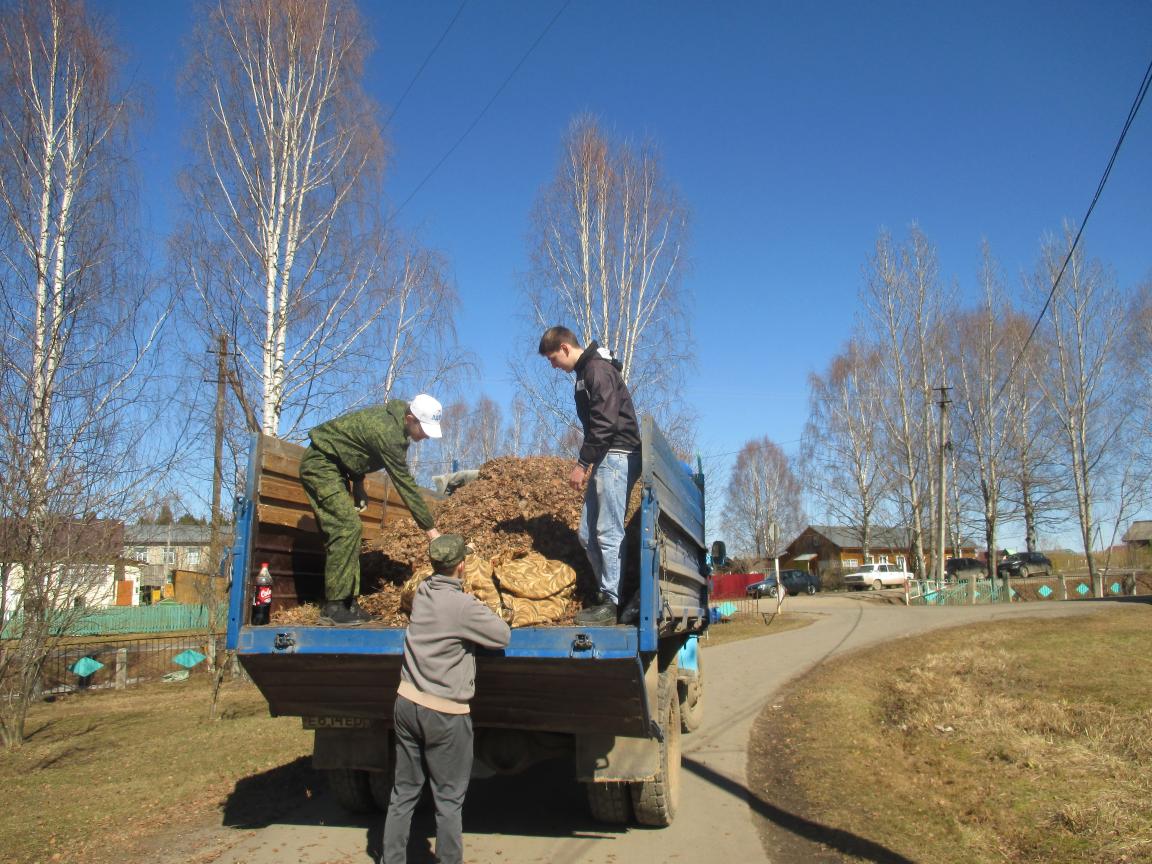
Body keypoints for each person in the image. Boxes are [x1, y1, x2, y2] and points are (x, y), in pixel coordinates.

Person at [382, 534, 511, 864]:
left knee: (403, 792)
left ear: (433, 565)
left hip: (406, 703)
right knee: (448, 799)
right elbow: (501, 635)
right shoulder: (463, 607)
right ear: (463, 566)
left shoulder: (422, 592)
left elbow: (437, 579)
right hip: (444, 714)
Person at [300, 395, 443, 625]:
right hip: (320, 465)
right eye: (424, 429)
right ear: (409, 419)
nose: (426, 435)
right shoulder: (388, 432)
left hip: (337, 468)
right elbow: (405, 485)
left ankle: (348, 603)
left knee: (351, 531)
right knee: (347, 528)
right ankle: (334, 607)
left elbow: (354, 450)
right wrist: (431, 530)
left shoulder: (394, 425)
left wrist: (358, 485)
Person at [538, 325, 642, 625]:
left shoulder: (597, 370)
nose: (553, 365)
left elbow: (605, 422)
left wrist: (582, 463)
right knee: (587, 534)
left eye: (553, 358)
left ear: (566, 348)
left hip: (618, 453)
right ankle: (608, 595)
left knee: (608, 531)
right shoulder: (585, 374)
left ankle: (611, 603)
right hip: (606, 455)